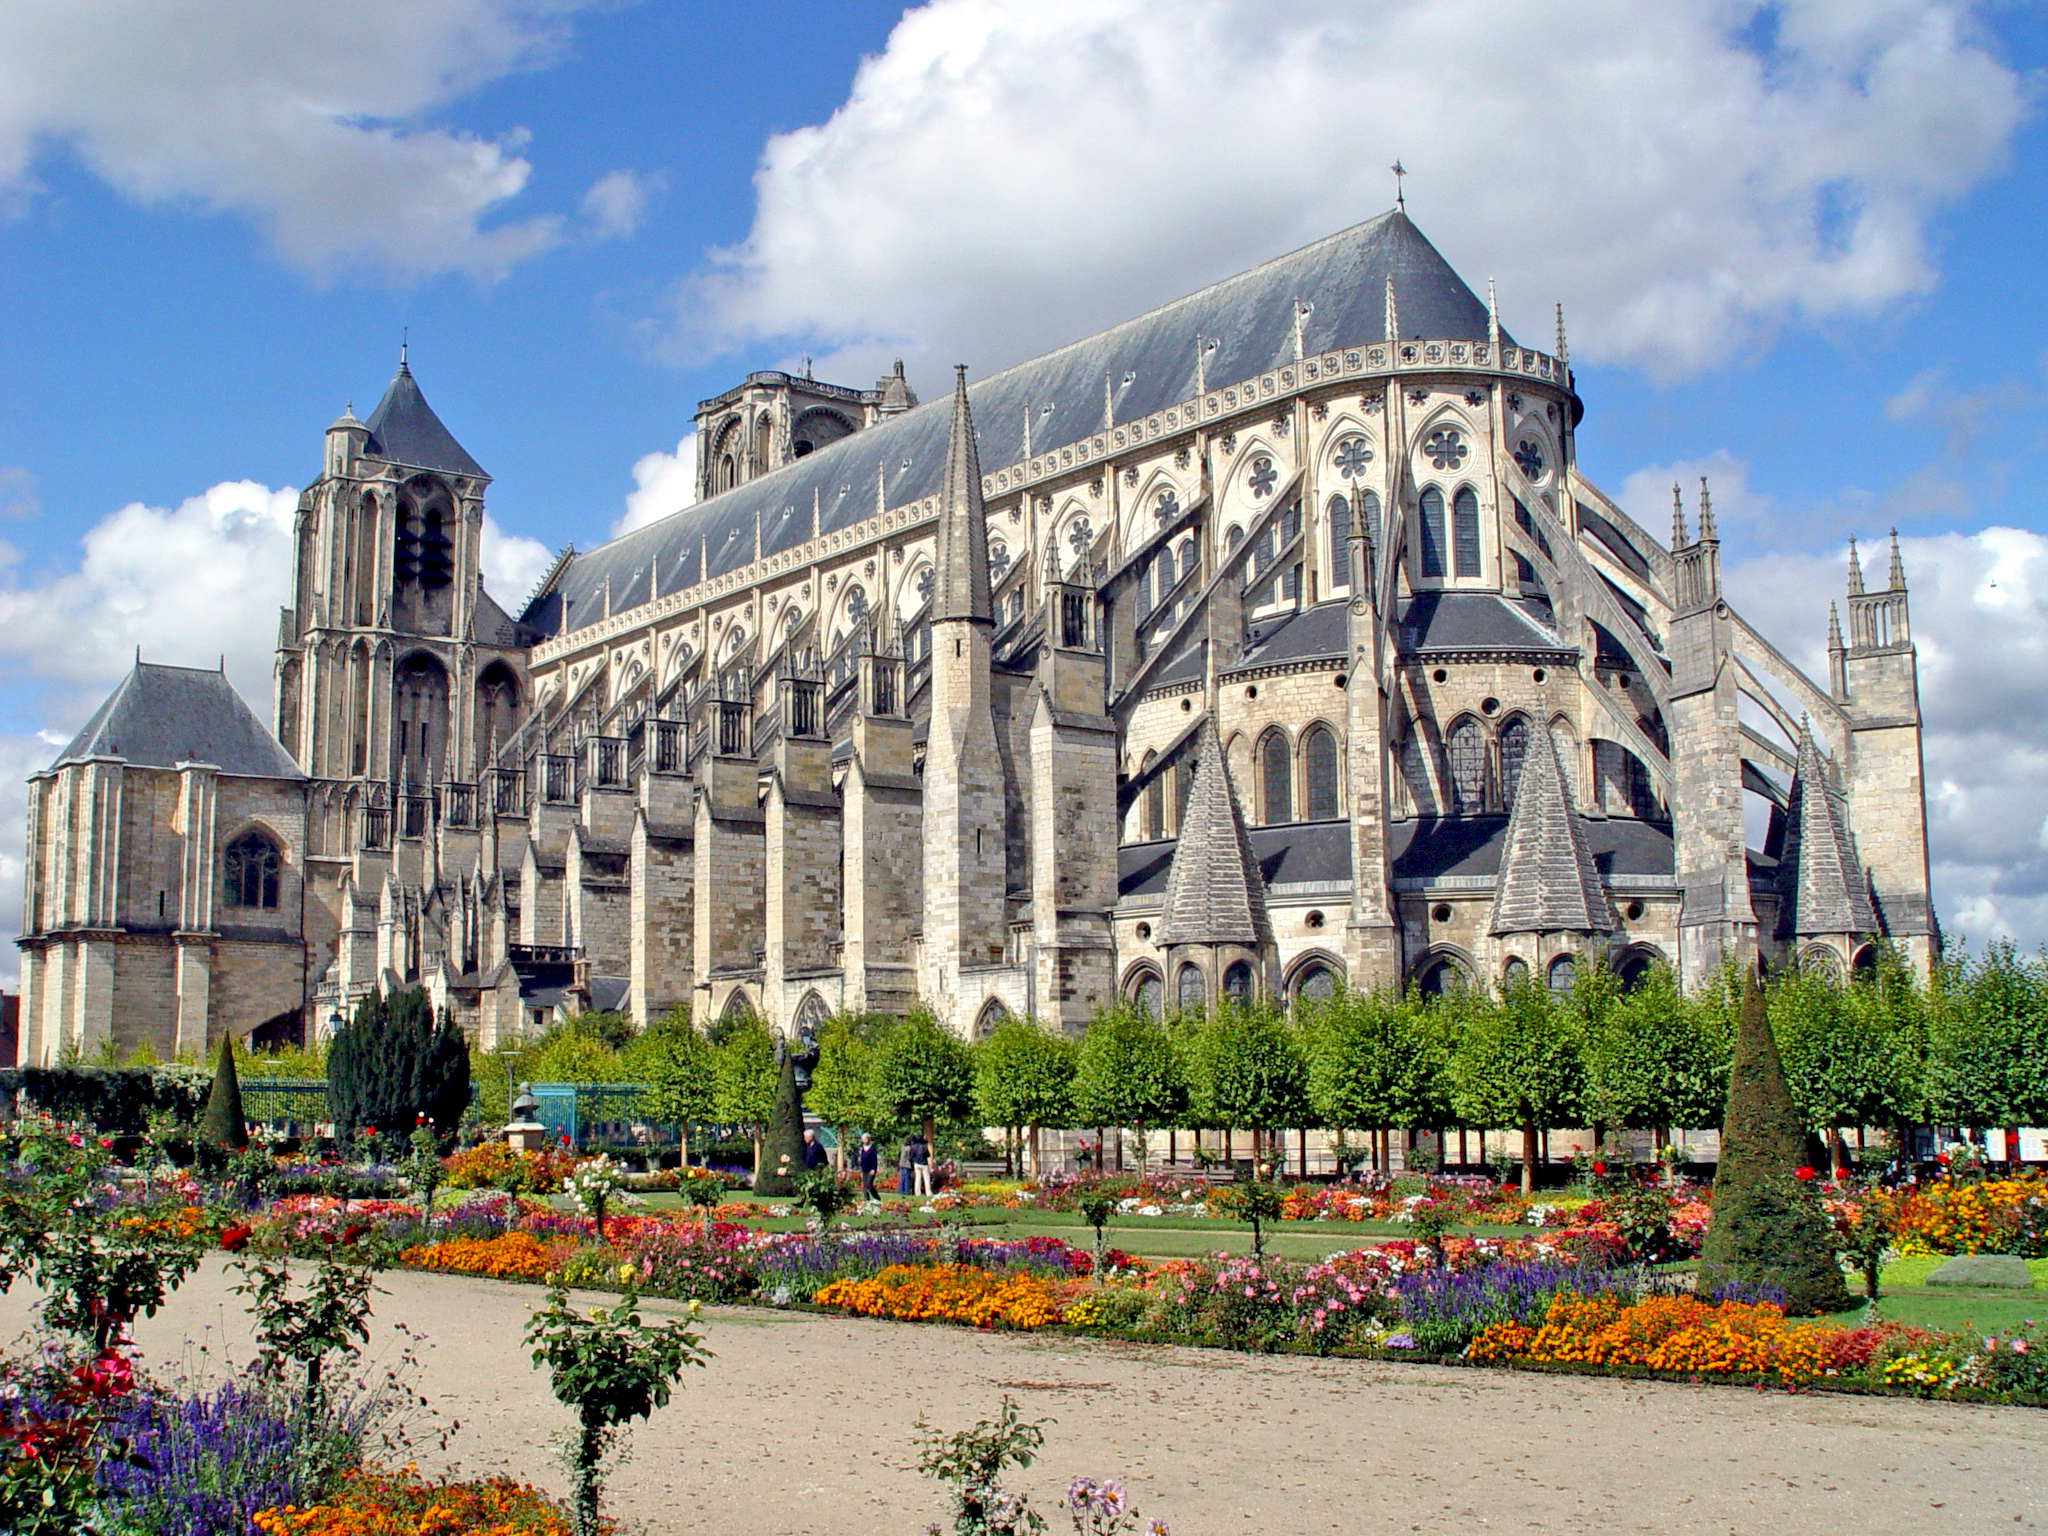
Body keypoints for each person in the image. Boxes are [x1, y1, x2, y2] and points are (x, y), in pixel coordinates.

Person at [857, 1132, 881, 1199]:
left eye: (864, 1139)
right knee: (864, 1186)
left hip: (871, 1170)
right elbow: (861, 1160)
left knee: (869, 1185)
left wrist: (873, 1169)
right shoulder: (862, 1149)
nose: (863, 1141)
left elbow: (874, 1160)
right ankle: (866, 1200)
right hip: (864, 1169)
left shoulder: (872, 1148)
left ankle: (877, 1198)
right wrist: (861, 1170)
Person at [910, 1131, 933, 1198]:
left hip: (916, 1163)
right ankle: (928, 1192)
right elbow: (928, 1155)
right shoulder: (924, 1147)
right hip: (924, 1163)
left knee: (918, 1178)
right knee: (926, 1178)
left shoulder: (913, 1146)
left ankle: (917, 1192)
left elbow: (911, 1155)